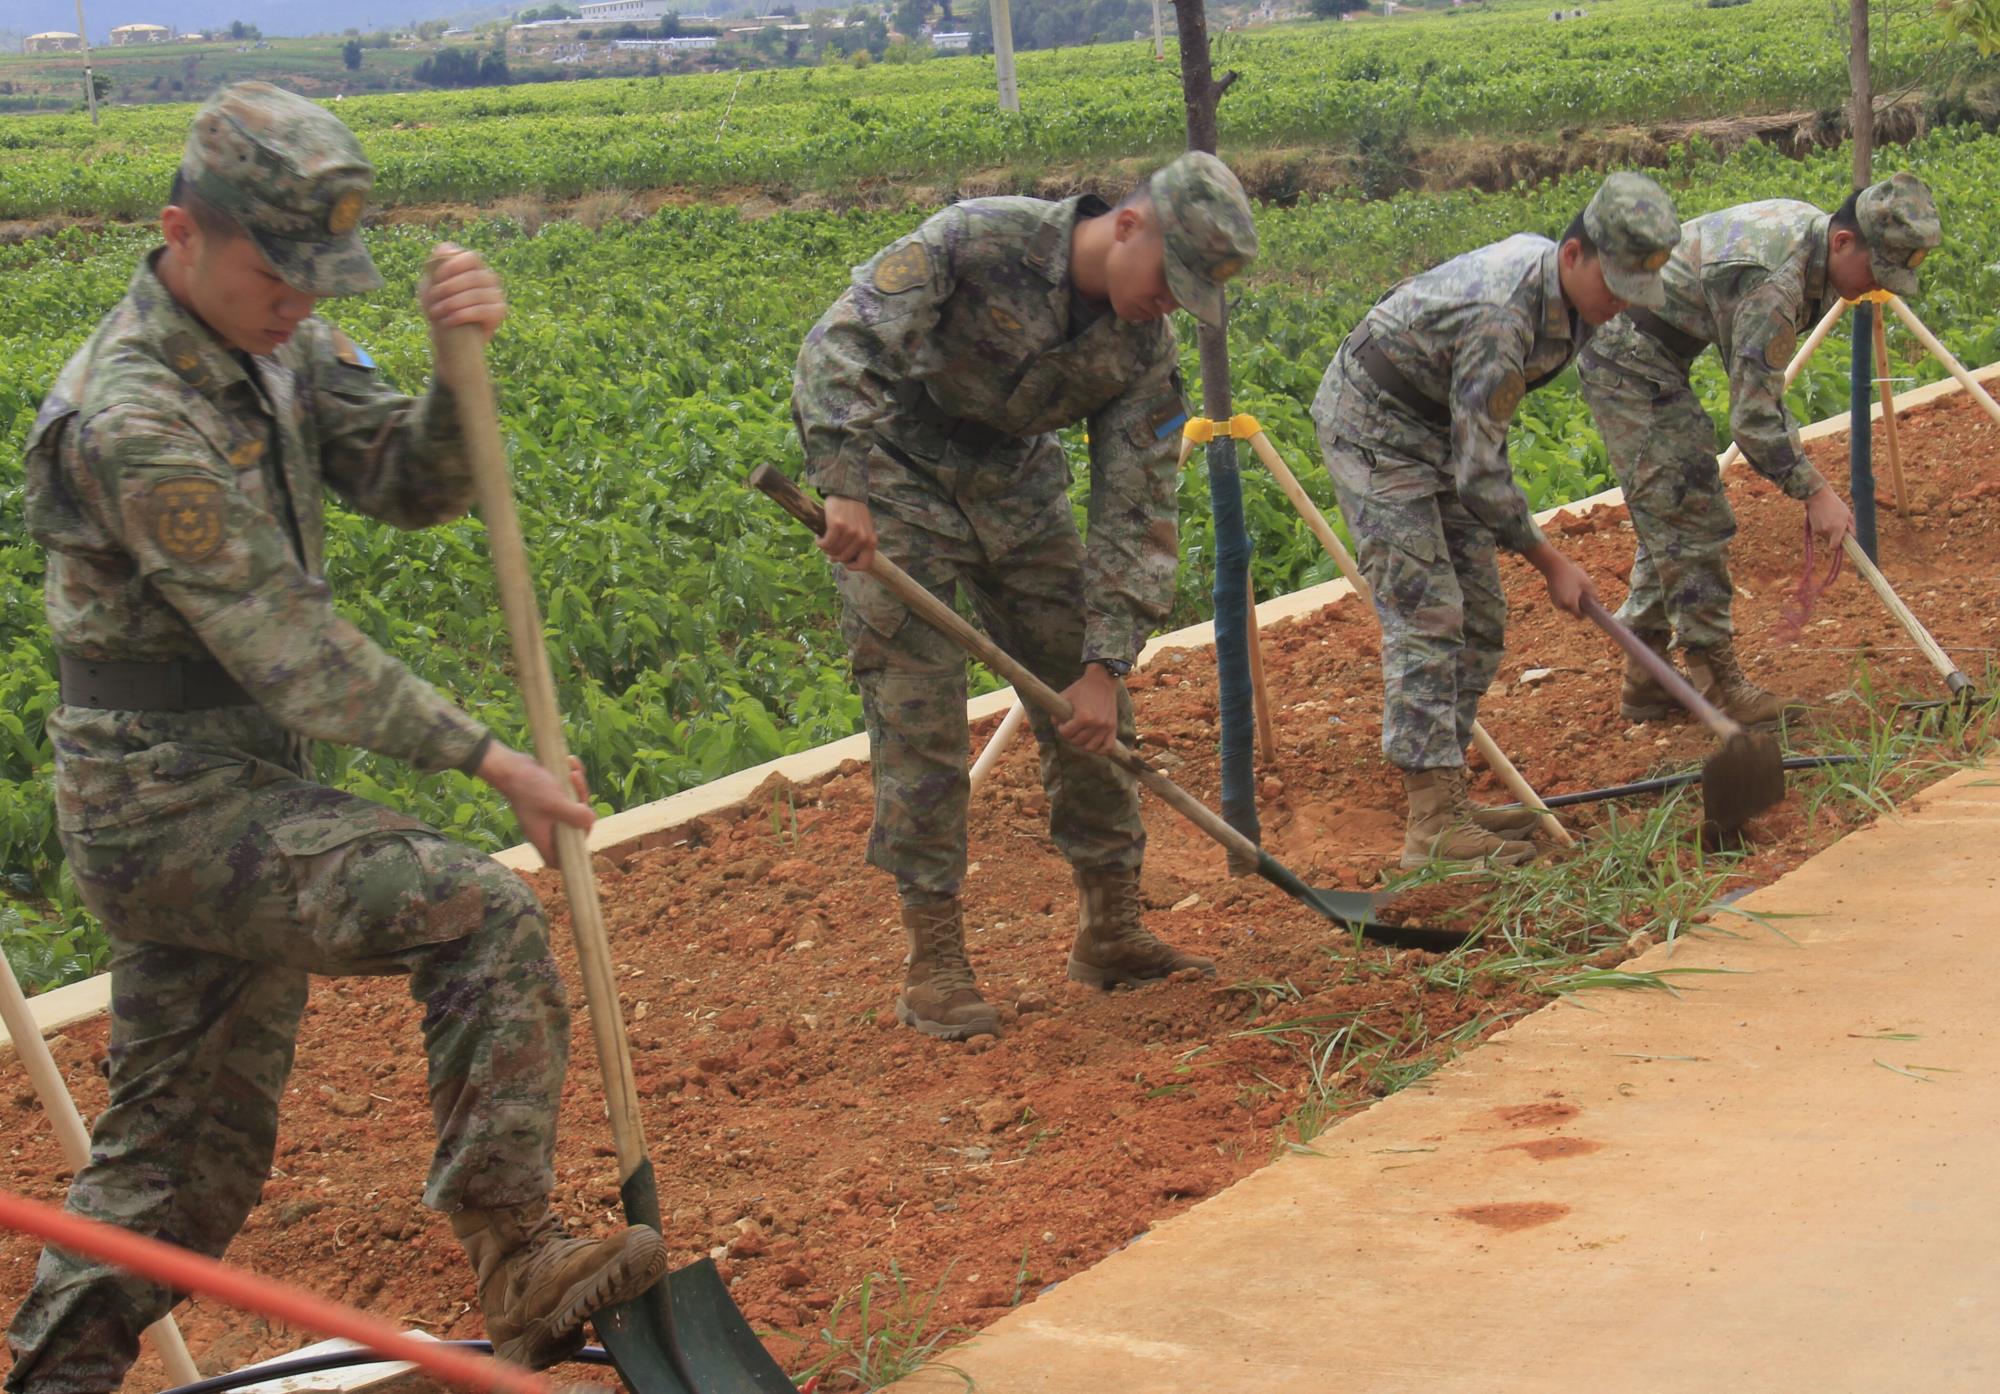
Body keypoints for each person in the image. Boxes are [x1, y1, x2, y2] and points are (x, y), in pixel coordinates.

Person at [7, 82, 664, 1392]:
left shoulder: (279, 338)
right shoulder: (132, 416)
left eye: (321, 273)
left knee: (183, 1175)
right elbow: (288, 648)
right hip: (162, 803)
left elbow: (409, 482)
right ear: (180, 230)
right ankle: (516, 1252)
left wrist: (453, 371)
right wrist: (491, 759)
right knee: (476, 910)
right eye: (275, 268)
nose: (301, 298)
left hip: (244, 778)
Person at [791, 151, 1258, 1041]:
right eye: (1170, 278)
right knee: (918, 716)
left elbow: (1139, 499)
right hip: (894, 481)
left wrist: (1099, 661)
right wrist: (843, 482)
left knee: (1096, 715)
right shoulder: (976, 239)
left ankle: (1110, 929)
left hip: (1015, 491)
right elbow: (840, 343)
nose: (1170, 303)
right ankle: (935, 966)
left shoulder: (1141, 347)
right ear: (1128, 226)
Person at [1309, 171, 1680, 869]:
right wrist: (1550, 560)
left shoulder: (1569, 302)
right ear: (1575, 255)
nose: (1623, 305)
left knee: (1479, 614)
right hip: (1376, 427)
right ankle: (1431, 832)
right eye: (1617, 285)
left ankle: (1448, 801)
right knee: (1428, 616)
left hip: (1436, 428)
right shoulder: (1504, 315)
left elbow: (1476, 448)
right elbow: (1480, 471)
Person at [1577, 172, 1943, 725]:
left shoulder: (1810, 240)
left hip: (1653, 346)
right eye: (1874, 270)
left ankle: (1647, 678)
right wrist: (1814, 491)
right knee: (1692, 512)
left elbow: (1757, 389)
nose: (1873, 286)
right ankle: (1717, 681)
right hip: (1621, 349)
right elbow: (1751, 418)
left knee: (1673, 509)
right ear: (1844, 241)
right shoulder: (1776, 280)